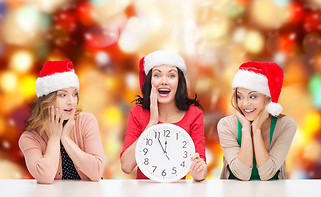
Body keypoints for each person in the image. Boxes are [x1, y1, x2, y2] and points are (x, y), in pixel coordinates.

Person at [120, 50, 207, 181]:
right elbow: (126, 166)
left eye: (171, 76)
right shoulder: (137, 113)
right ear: (150, 81)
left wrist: (199, 173)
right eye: (157, 75)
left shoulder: (194, 115)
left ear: (179, 82)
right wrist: (152, 124)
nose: (164, 81)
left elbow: (201, 168)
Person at [19, 60, 105, 184]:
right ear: (46, 100)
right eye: (62, 95)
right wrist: (54, 138)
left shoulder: (86, 121)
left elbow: (96, 172)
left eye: (74, 94)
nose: (71, 102)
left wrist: (65, 138)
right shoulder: (30, 138)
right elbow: (45, 178)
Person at [217, 61, 296, 180]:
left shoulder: (285, 125)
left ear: (268, 99)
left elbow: (266, 174)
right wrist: (246, 128)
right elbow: (243, 174)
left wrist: (256, 129)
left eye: (253, 96)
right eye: (240, 96)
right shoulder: (226, 125)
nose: (244, 104)